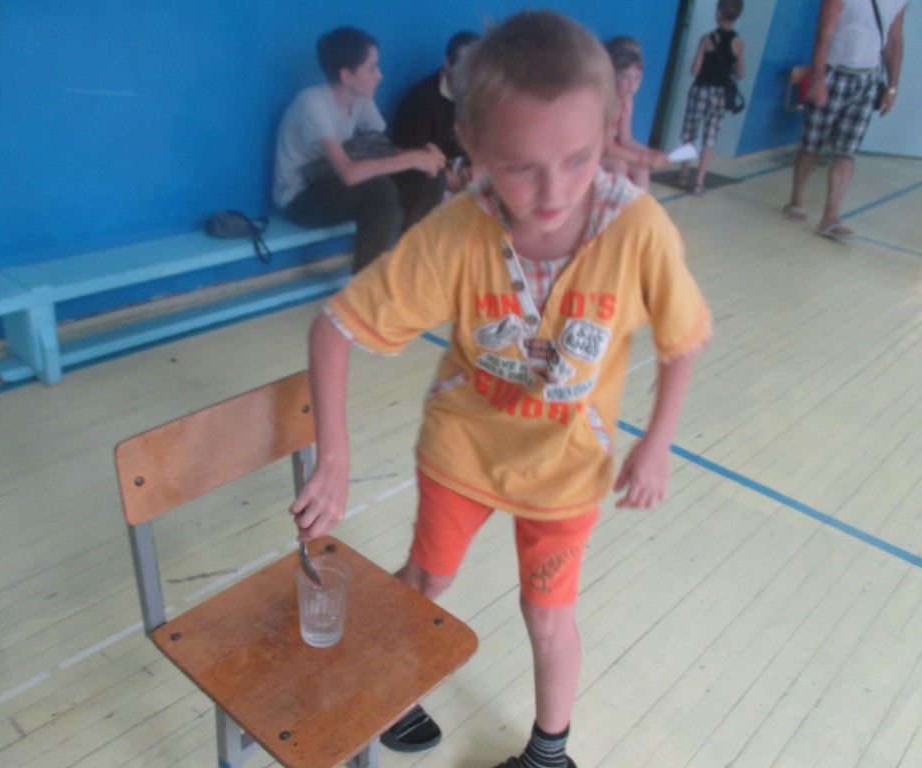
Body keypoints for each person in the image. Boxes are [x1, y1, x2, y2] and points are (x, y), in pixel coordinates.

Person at [290, 10, 711, 768]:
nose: (554, 191)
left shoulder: (638, 229)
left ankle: (549, 753)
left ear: (607, 133)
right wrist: (335, 457)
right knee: (429, 577)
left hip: (566, 465)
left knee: (548, 614)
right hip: (465, 447)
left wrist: (658, 440)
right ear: (474, 147)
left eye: (579, 159)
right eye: (520, 166)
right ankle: (388, 681)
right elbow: (334, 327)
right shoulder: (458, 232)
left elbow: (683, 338)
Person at [273, 26, 447, 273]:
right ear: (347, 76)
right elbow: (348, 173)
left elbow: (385, 149)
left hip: (332, 181)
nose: (380, 75)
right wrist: (412, 158)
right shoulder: (311, 102)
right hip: (302, 197)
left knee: (430, 176)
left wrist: (425, 157)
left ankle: (410, 267)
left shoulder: (361, 99)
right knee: (379, 190)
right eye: (372, 68)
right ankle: (366, 286)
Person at [784, 0, 908, 240]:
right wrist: (818, 81)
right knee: (811, 144)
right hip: (833, 72)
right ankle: (796, 198)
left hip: (868, 79)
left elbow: (895, 40)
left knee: (847, 151)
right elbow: (823, 33)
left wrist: (892, 87)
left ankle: (830, 217)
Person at [391, 30, 481, 194]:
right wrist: (464, 188)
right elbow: (413, 162)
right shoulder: (420, 101)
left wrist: (478, 170)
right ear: (447, 64)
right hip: (433, 179)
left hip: (467, 170)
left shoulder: (483, 95)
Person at [678, 0, 745, 196]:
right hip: (719, 94)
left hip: (700, 90)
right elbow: (740, 73)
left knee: (690, 133)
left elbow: (694, 70)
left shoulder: (706, 38)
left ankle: (683, 173)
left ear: (718, 13)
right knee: (710, 137)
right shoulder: (738, 43)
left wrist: (702, 50)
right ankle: (699, 181)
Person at [600, 36, 670, 191]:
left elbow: (626, 140)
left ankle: (641, 206)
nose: (632, 85)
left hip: (605, 151)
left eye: (637, 78)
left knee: (642, 169)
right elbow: (608, 148)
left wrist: (652, 153)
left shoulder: (627, 101)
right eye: (624, 77)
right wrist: (644, 158)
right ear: (612, 75)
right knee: (618, 165)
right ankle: (615, 206)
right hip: (592, 153)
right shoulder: (605, 101)